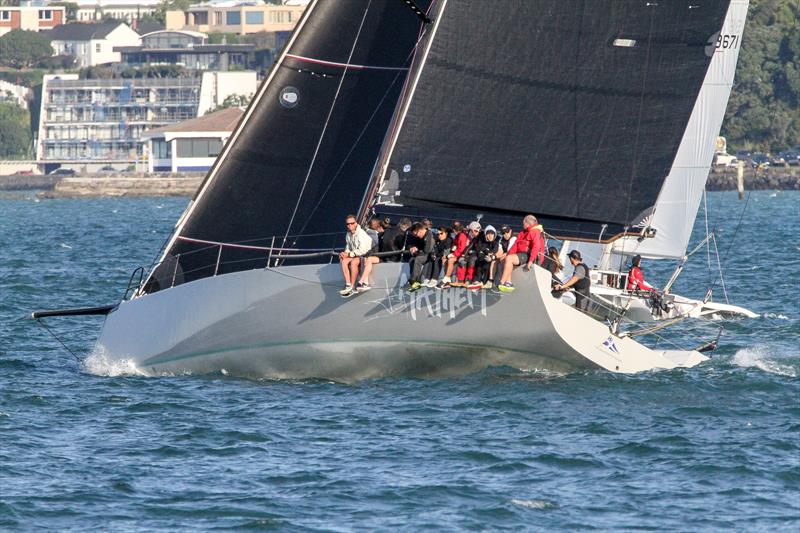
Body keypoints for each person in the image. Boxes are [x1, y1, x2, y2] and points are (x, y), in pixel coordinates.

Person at [497, 215, 546, 293]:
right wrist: (508, 255)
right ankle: (508, 283)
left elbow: (536, 247)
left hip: (529, 256)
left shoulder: (535, 232)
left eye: (523, 223)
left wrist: (530, 261)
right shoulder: (522, 233)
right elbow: (515, 246)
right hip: (521, 255)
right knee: (506, 258)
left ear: (527, 223)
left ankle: (501, 282)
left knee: (509, 259)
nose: (522, 225)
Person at [339, 215, 372, 297]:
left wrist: (350, 254)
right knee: (344, 261)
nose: (350, 225)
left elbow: (363, 250)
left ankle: (353, 286)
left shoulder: (361, 234)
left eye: (352, 223)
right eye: (348, 224)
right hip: (356, 255)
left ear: (356, 223)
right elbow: (348, 248)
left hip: (366, 255)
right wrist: (344, 254)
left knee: (354, 262)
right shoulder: (348, 235)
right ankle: (348, 284)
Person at [438, 221, 471, 288]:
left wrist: (453, 254)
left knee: (450, 260)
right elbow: (455, 243)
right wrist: (453, 247)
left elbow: (462, 248)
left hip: (463, 254)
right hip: (457, 253)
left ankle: (447, 277)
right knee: (446, 259)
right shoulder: (458, 235)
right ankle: (447, 278)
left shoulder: (462, 235)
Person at [407, 222, 435, 291]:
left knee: (418, 259)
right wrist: (413, 247)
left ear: (420, 230)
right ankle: (416, 280)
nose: (416, 236)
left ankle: (414, 280)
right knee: (412, 260)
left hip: (431, 255)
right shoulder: (420, 236)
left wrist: (418, 251)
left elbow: (427, 250)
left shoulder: (429, 235)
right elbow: (414, 244)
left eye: (416, 234)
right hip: (424, 253)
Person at [452, 221, 482, 287]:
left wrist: (472, 252)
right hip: (469, 252)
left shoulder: (480, 236)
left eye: (477, 231)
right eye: (474, 231)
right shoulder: (468, 235)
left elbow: (480, 247)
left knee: (471, 261)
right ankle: (460, 280)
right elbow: (469, 246)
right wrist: (463, 254)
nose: (476, 233)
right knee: (462, 260)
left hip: (477, 254)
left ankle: (468, 280)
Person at [471, 225, 500, 290]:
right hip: (484, 257)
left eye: (492, 234)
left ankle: (485, 281)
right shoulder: (483, 241)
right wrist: (484, 253)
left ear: (494, 234)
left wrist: (491, 255)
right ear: (485, 235)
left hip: (493, 259)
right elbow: (480, 249)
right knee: (479, 261)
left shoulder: (497, 241)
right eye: (488, 234)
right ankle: (477, 280)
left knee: (488, 264)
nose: (490, 236)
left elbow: (496, 250)